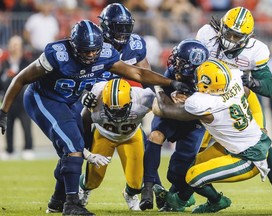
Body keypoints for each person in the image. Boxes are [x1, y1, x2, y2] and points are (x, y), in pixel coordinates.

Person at [0, 20, 189, 216]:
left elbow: (137, 72)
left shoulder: (106, 54)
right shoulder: (57, 54)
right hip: (44, 98)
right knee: (73, 147)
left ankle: (57, 200)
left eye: (94, 50)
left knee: (73, 149)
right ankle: (71, 204)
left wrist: (171, 83)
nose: (91, 55)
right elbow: (20, 79)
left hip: (69, 101)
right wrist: (4, 111)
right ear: (74, 46)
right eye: (86, 51)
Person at [196, 6, 272, 211]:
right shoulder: (206, 35)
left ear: (248, 36)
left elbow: (268, 86)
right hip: (211, 100)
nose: (229, 38)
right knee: (196, 149)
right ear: (220, 27)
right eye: (227, 31)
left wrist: (252, 83)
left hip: (241, 99)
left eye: (236, 35)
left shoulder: (256, 50)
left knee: (261, 141)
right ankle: (185, 195)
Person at [152, 59, 272, 213]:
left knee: (194, 176)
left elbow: (166, 110)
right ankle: (180, 200)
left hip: (249, 157)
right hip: (235, 145)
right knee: (192, 165)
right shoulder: (234, 82)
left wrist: (159, 85)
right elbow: (249, 93)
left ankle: (216, 201)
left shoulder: (204, 103)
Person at [140, 39, 210, 211]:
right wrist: (166, 97)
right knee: (155, 136)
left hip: (194, 122)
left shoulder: (207, 80)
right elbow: (162, 99)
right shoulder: (174, 70)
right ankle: (147, 188)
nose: (174, 63)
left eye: (180, 62)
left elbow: (200, 111)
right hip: (172, 116)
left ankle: (209, 198)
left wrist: (188, 102)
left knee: (177, 173)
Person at [79, 78, 155, 210]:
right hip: (103, 136)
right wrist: (86, 144)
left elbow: (162, 104)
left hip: (131, 137)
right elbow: (84, 119)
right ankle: (84, 188)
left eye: (120, 110)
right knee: (93, 180)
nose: (116, 115)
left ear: (131, 99)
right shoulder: (97, 96)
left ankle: (129, 195)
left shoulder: (143, 98)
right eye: (112, 110)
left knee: (136, 184)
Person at [97, 3, 151, 87]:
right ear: (105, 26)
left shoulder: (134, 45)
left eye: (127, 27)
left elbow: (147, 77)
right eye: (119, 28)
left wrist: (156, 94)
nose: (123, 33)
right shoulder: (93, 45)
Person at [0, 35, 34, 160]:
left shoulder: (27, 63)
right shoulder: (4, 64)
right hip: (8, 102)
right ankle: (9, 150)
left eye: (16, 44)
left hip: (23, 101)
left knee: (26, 126)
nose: (14, 47)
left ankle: (28, 149)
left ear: (21, 47)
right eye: (12, 44)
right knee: (7, 127)